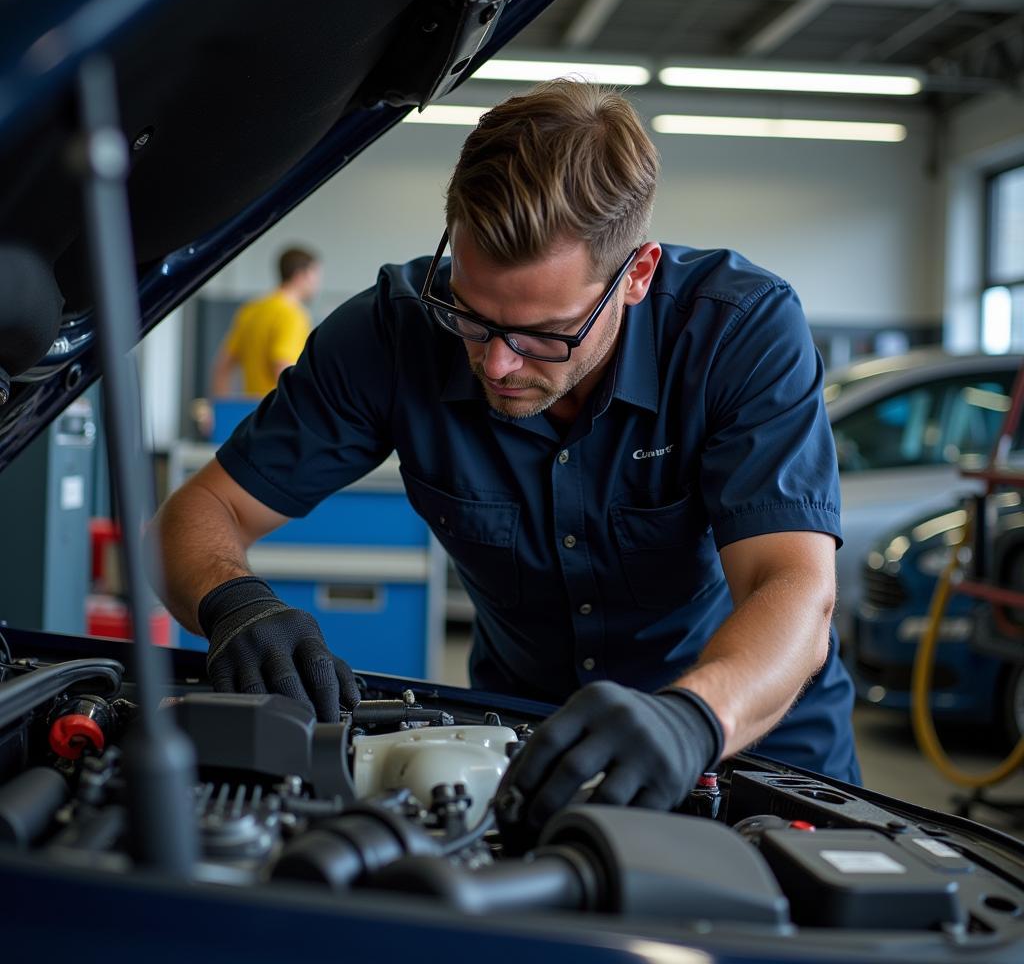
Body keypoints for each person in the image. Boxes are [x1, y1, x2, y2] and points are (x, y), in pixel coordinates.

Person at [152, 81, 858, 839]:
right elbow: (200, 512)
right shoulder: (393, 333)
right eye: (471, 314)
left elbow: (794, 586)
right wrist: (238, 604)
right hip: (523, 747)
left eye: (545, 334)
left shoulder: (739, 335)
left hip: (750, 742)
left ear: (639, 275)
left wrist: (692, 718)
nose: (494, 364)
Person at [209, 246, 321, 398]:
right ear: (300, 275)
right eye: (315, 275)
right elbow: (282, 366)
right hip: (278, 416)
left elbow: (222, 366)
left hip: (253, 412)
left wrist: (222, 411)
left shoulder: (251, 310)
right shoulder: (292, 314)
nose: (317, 284)